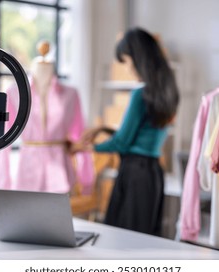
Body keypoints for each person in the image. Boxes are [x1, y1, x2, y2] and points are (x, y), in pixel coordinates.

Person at [72, 27, 180, 236]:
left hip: (134, 173)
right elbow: (141, 133)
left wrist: (88, 148)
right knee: (146, 236)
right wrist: (103, 129)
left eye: (128, 61)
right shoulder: (169, 91)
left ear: (138, 58)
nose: (129, 68)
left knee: (124, 237)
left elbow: (122, 143)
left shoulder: (140, 95)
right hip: (153, 174)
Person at [0, 41, 95, 194]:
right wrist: (3, 181)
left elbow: (80, 137)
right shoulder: (14, 93)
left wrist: (86, 178)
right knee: (26, 217)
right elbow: (5, 141)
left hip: (60, 172)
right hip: (26, 170)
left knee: (57, 216)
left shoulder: (70, 94)